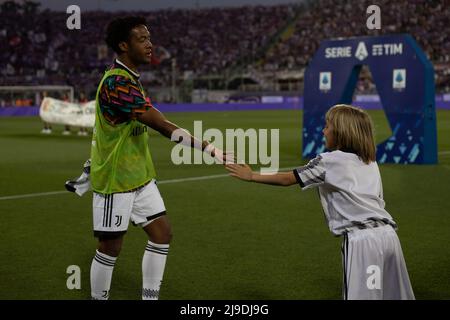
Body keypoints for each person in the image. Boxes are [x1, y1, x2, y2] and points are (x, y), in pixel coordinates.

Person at [82, 16, 231, 300]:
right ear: (123, 45)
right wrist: (210, 149)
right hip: (116, 180)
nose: (150, 45)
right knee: (110, 248)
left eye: (149, 38)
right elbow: (162, 125)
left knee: (162, 234)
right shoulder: (117, 83)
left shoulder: (130, 79)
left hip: (140, 177)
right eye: (142, 39)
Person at [225, 104, 415, 300]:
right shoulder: (369, 160)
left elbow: (287, 179)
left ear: (341, 132)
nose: (323, 130)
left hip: (363, 241)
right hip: (389, 236)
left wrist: (252, 176)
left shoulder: (327, 161)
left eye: (327, 126)